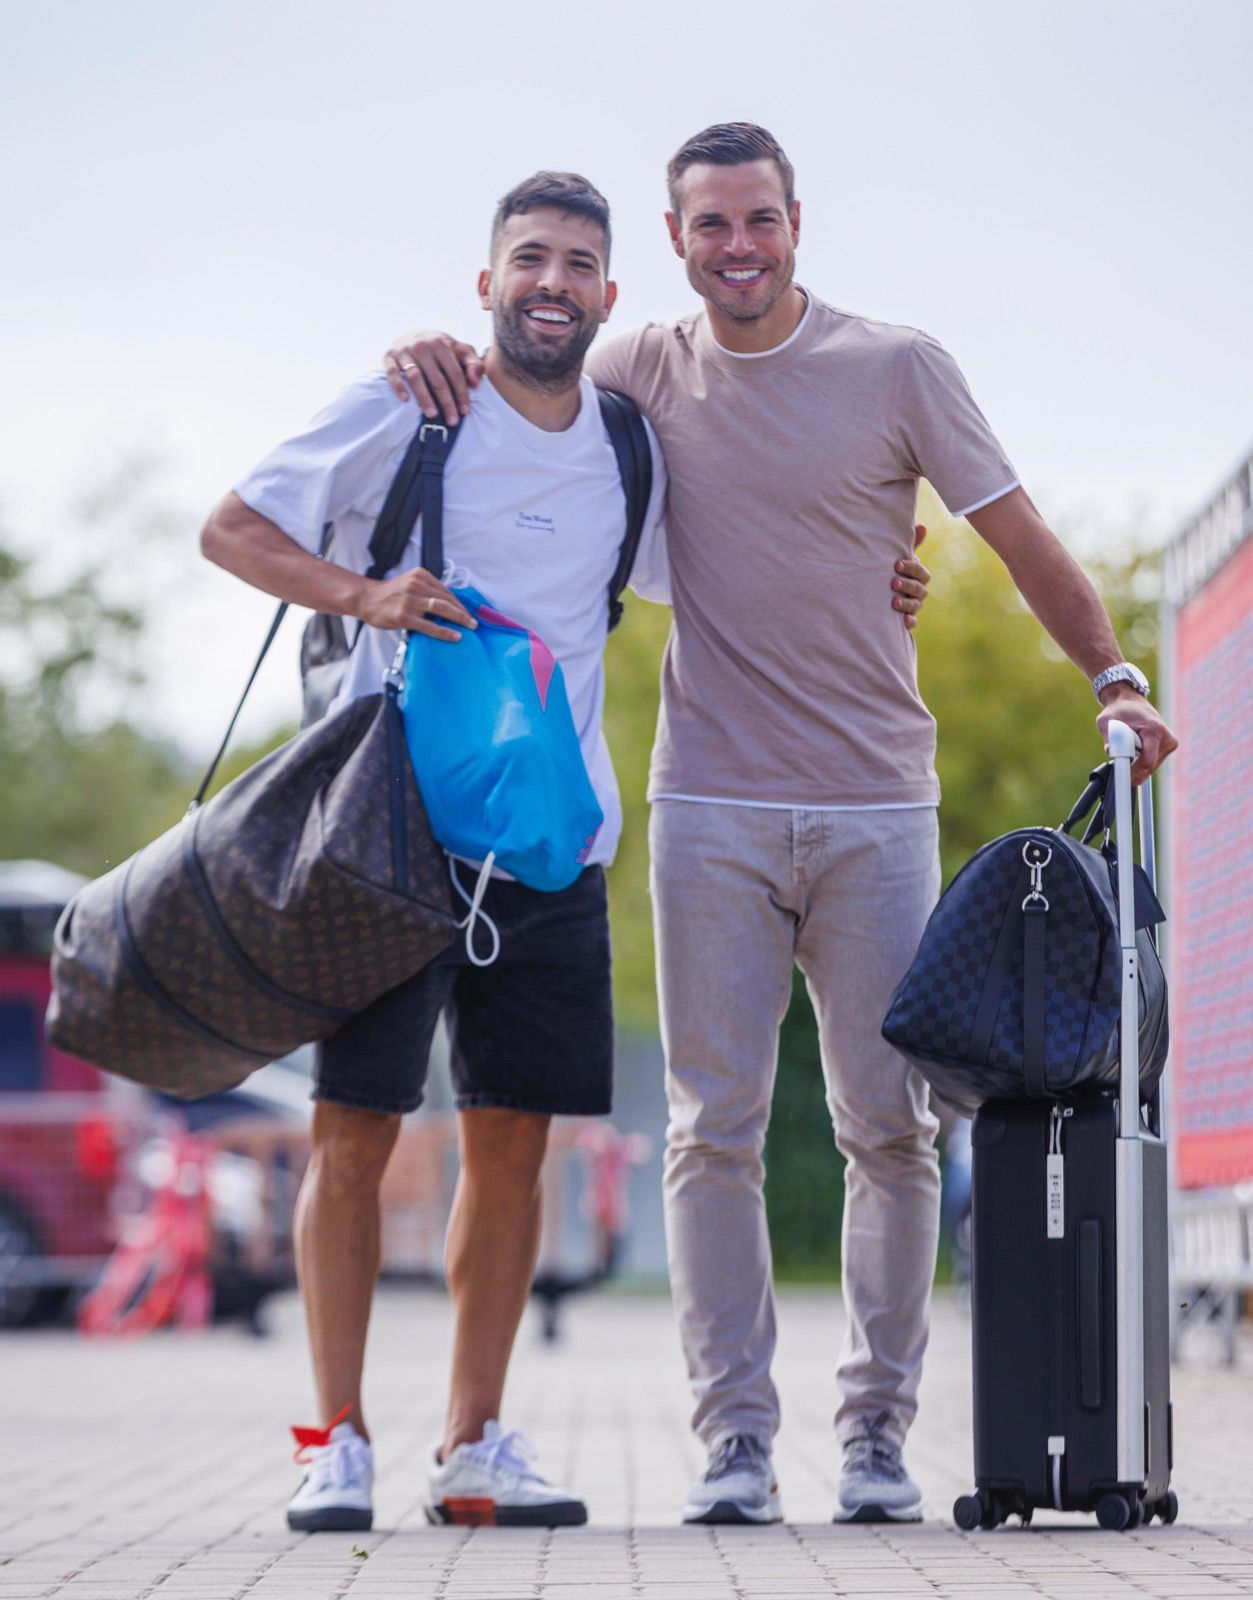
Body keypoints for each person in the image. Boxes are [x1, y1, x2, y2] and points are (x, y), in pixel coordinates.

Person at [381, 122, 1177, 1528]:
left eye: (758, 221)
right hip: (708, 807)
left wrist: (1110, 674)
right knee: (711, 1132)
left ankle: (873, 1437)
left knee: (888, 1130)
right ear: (675, 248)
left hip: (876, 801)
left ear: (796, 224)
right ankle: (733, 1444)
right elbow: (523, 357)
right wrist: (416, 354)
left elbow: (1011, 527)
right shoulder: (642, 366)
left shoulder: (894, 365)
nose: (736, 248)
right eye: (708, 228)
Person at [199, 167, 932, 1534]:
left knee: (513, 1150)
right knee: (351, 1136)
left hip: (553, 850)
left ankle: (471, 1444)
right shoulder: (404, 408)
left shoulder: (622, 444)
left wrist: (887, 564)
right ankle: (332, 1440)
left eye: (577, 264)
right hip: (383, 840)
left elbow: (734, 556)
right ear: (484, 285)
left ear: (609, 291)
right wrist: (364, 593)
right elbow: (230, 528)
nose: (551, 283)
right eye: (526, 259)